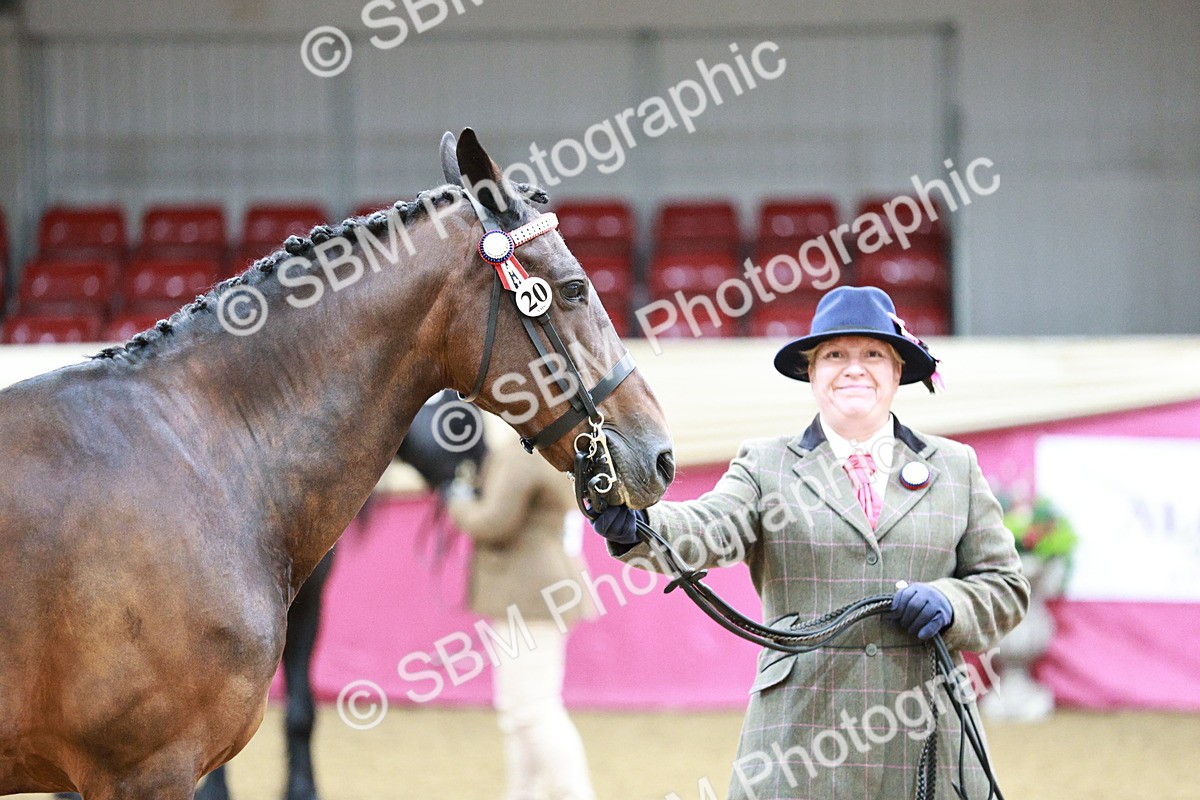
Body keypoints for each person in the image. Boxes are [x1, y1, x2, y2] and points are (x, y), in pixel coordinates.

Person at [592, 286, 1030, 799]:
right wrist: (644, 523)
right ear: (811, 372)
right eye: (834, 355)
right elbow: (710, 526)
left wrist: (952, 604)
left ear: (897, 372)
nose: (854, 367)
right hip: (800, 734)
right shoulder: (765, 464)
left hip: (924, 724)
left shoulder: (956, 467)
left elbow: (1006, 587)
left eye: (872, 354)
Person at [446, 433, 598, 800]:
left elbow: (495, 522)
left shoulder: (522, 455)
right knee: (519, 712)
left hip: (530, 592)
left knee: (533, 709)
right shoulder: (557, 449)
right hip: (543, 588)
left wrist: (458, 502)